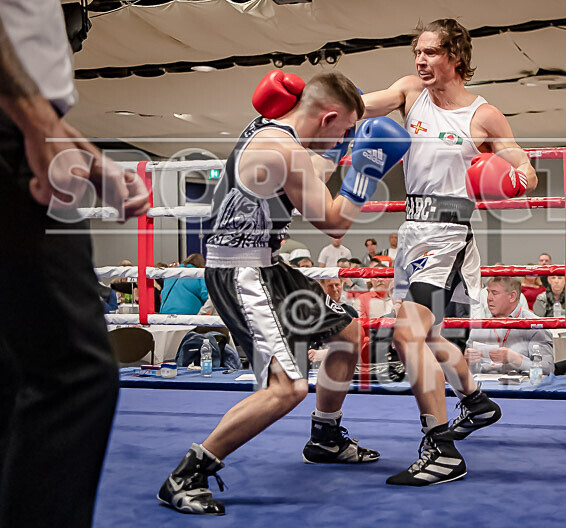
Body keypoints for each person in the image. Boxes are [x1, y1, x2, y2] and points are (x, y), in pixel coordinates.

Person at [157, 70, 410, 514]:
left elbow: (354, 106)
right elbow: (334, 223)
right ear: (327, 116)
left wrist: (405, 92)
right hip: (242, 272)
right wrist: (366, 170)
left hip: (268, 262)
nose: (347, 139)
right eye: (345, 132)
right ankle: (186, 474)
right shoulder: (283, 150)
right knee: (287, 388)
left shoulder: (285, 120)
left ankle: (326, 438)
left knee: (346, 334)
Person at [362, 18, 536, 485]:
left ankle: (441, 450)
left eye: (431, 52)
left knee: (406, 336)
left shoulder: (483, 114)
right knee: (430, 337)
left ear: (455, 56)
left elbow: (524, 164)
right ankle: (476, 402)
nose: (420, 60)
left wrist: (515, 179)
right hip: (412, 231)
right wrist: (309, 109)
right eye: (417, 52)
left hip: (449, 234)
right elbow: (361, 104)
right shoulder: (407, 93)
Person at [0, 4, 150, 526]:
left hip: (22, 125)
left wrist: (82, 150)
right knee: (73, 372)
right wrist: (38, 123)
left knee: (16, 374)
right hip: (14, 133)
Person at [465, 277, 553, 375]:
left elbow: (547, 369)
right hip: (484, 388)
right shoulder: (479, 328)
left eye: (494, 293)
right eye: (488, 292)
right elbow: (470, 375)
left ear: (512, 296)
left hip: (522, 388)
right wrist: (471, 363)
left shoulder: (534, 325)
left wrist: (516, 359)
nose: (489, 298)